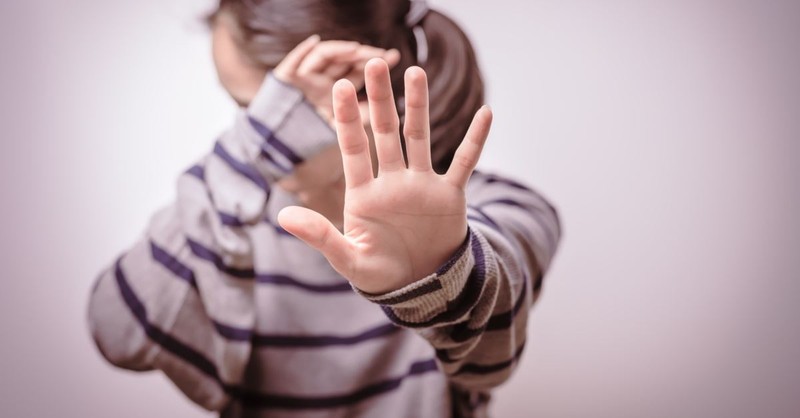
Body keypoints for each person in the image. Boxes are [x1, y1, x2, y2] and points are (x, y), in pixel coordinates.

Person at [87, 0, 561, 417]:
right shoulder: (229, 221)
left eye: (263, 106)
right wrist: (248, 152)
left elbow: (490, 354)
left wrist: (438, 273)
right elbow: (119, 332)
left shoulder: (504, 208)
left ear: (360, 94)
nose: (260, 128)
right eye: (252, 113)